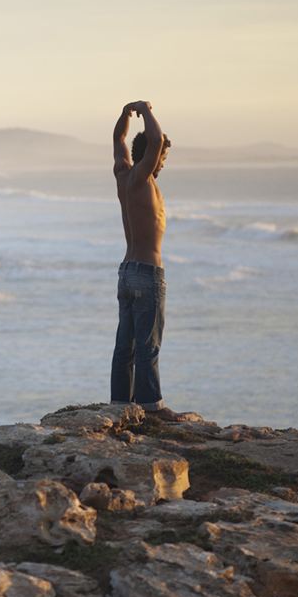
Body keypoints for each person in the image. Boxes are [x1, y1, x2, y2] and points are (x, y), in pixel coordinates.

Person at [110, 101, 183, 421]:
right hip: (146, 273)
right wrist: (144, 109)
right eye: (163, 158)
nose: (163, 163)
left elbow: (118, 142)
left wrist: (125, 117)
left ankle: (121, 405)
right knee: (148, 345)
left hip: (126, 272)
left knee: (124, 346)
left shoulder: (123, 175)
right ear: (152, 156)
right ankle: (152, 407)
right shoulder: (140, 177)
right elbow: (153, 140)